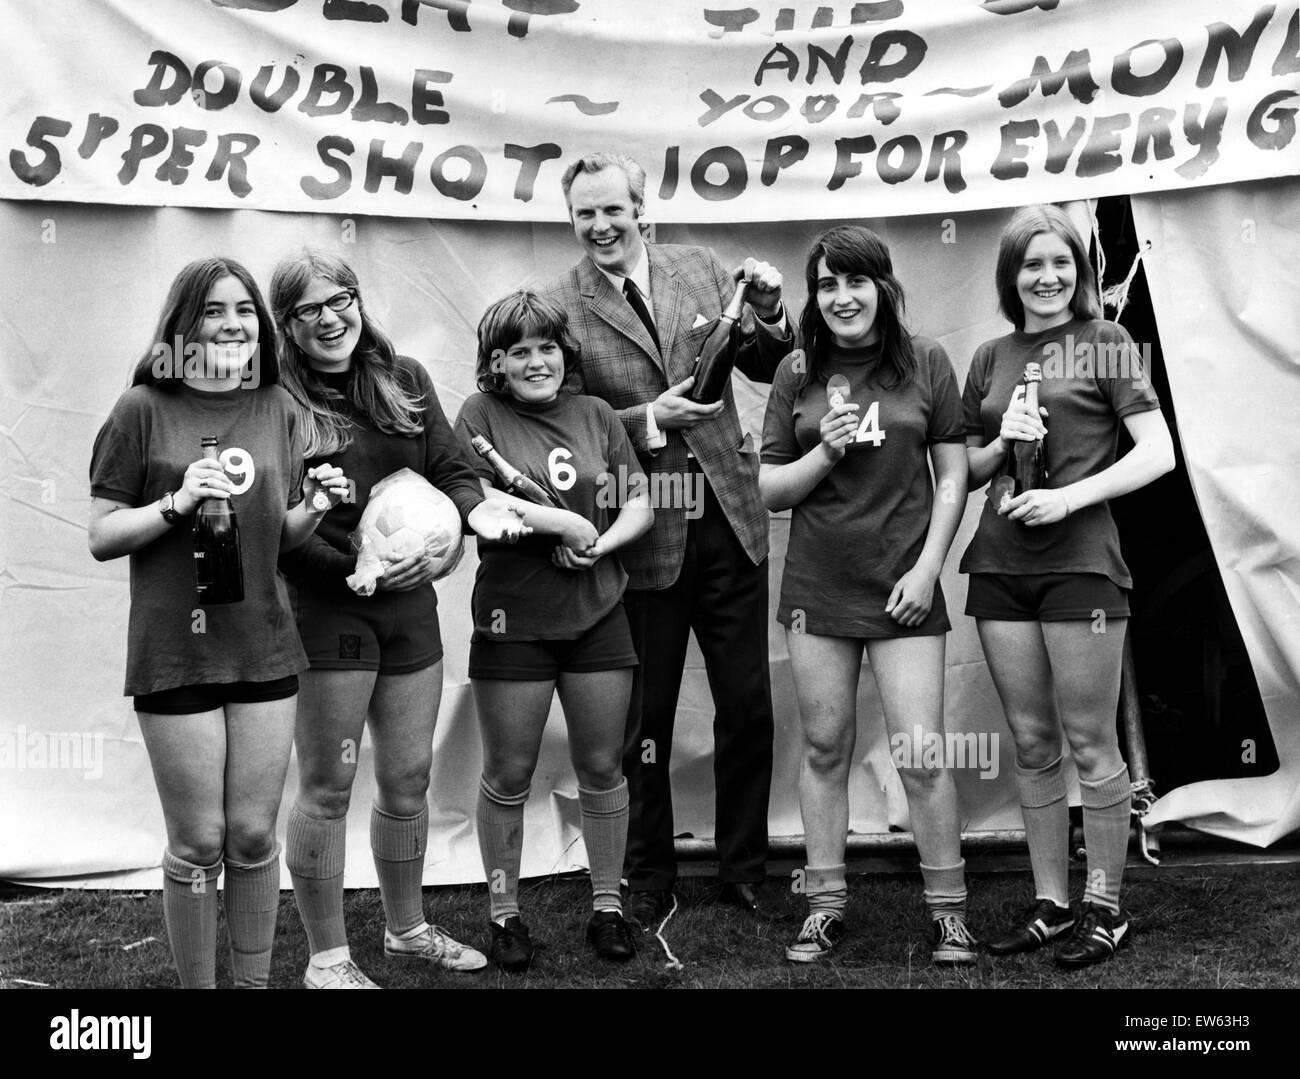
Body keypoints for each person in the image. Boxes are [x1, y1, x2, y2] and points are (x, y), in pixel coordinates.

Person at [542, 151, 790, 925]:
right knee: (640, 718)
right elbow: (563, 425)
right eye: (586, 213)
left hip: (732, 519)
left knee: (747, 703)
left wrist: (775, 312)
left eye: (613, 209)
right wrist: (649, 421)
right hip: (645, 529)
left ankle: (744, 864)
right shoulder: (562, 303)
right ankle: (646, 872)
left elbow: (767, 361)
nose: (601, 225)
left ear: (642, 208)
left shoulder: (703, 266)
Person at [89, 256, 349, 988]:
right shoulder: (141, 408)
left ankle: (254, 984)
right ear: (183, 322)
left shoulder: (276, 405)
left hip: (265, 646)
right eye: (213, 310)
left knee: (253, 832)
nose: (232, 323)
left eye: (242, 310)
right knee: (200, 840)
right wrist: (173, 503)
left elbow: (280, 538)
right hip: (176, 651)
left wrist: (316, 507)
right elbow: (102, 535)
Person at [271, 251, 528, 989]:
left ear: (358, 300)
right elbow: (282, 532)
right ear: (287, 323)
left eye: (341, 298)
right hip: (329, 613)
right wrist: (362, 570)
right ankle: (328, 956)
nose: (331, 316)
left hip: (411, 610)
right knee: (326, 786)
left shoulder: (404, 376)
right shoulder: (279, 401)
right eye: (309, 308)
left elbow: (451, 469)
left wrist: (452, 542)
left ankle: (406, 928)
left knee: (409, 777)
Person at [961, 204, 1175, 968]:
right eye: (1031, 265)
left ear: (1080, 274)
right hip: (998, 568)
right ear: (1010, 276)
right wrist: (999, 444)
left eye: (1061, 263)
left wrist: (1069, 497)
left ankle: (1106, 907)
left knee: (1092, 739)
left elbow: (1159, 453)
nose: (1047, 277)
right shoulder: (989, 355)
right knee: (1030, 739)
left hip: (1082, 563)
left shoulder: (1107, 342)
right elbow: (960, 469)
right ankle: (1053, 902)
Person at [759, 225, 976, 964]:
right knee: (825, 747)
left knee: (921, 753)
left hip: (905, 589)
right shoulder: (797, 368)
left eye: (855, 281)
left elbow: (954, 477)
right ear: (813, 296)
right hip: (818, 589)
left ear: (882, 287)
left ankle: (948, 910)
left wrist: (928, 568)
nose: (841, 297)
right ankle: (823, 903)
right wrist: (825, 450)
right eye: (826, 284)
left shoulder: (928, 362)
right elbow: (769, 490)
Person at [452, 289, 654, 970]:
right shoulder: (479, 415)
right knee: (509, 773)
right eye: (518, 351)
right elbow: (474, 497)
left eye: (546, 347)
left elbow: (639, 500)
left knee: (602, 765)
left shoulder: (597, 413)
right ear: (496, 362)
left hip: (598, 613)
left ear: (564, 354)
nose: (535, 361)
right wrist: (560, 522)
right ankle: (505, 912)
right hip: (514, 620)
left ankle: (607, 904)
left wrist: (600, 542)